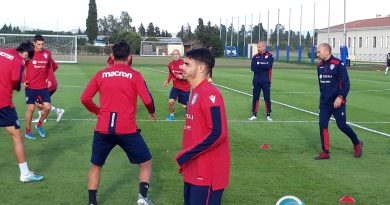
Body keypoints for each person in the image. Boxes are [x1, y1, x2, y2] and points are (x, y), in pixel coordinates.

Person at [81, 41, 156, 205]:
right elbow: (148, 100)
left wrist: (98, 111)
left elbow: (85, 98)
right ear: (130, 57)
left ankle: (92, 202)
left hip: (103, 129)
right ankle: (142, 198)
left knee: (96, 165)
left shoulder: (101, 74)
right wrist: (151, 111)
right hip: (127, 129)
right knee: (146, 162)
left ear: (112, 56)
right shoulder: (135, 75)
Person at [175, 48, 230, 205]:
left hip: (206, 173)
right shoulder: (196, 92)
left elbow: (218, 133)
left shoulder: (209, 93)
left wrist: (187, 154)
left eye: (187, 64)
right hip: (193, 168)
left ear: (200, 68)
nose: (181, 66)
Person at [0, 42, 44, 182]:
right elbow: (15, 80)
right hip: (3, 103)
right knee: (17, 136)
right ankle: (25, 174)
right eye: (27, 58)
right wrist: (18, 86)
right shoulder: (19, 61)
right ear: (25, 54)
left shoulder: (2, 51)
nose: (26, 61)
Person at [314, 43, 363, 160]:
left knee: (341, 125)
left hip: (337, 101)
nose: (317, 53)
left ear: (326, 51)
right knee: (322, 124)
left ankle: (357, 143)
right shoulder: (319, 66)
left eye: (319, 51)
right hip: (325, 102)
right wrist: (322, 99)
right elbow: (321, 85)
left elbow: (346, 83)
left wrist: (340, 97)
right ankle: (325, 152)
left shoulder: (338, 64)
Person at [24, 34, 55, 139]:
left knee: (48, 107)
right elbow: (19, 66)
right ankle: (28, 131)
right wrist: (23, 80)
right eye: (39, 44)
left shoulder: (48, 54)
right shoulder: (29, 54)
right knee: (31, 108)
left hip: (43, 86)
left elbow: (49, 68)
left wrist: (49, 78)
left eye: (42, 44)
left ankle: (39, 124)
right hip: (30, 86)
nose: (41, 46)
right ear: (34, 44)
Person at [248, 41, 273, 121]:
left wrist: (259, 65)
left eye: (259, 47)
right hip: (256, 81)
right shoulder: (255, 57)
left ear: (264, 47)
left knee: (267, 98)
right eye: (257, 47)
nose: (258, 48)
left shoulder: (270, 56)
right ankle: (254, 114)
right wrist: (262, 66)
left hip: (266, 81)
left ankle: (268, 114)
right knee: (255, 98)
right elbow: (253, 68)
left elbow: (268, 66)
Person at [164, 49, 190, 121]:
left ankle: (188, 109)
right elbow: (171, 74)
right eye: (174, 54)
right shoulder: (170, 65)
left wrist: (183, 77)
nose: (175, 56)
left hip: (185, 88)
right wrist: (168, 80)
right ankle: (171, 115)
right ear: (172, 55)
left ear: (180, 55)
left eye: (177, 54)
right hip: (175, 87)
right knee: (171, 101)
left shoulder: (185, 64)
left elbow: (190, 75)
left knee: (185, 105)